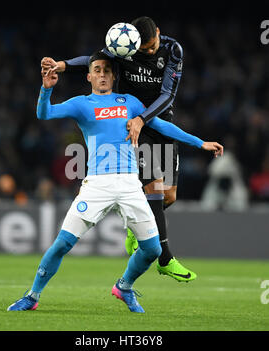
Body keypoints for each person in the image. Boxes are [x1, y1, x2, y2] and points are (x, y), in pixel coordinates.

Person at [7, 52, 222, 313]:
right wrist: (46, 89)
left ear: (113, 76)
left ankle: (124, 286)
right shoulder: (81, 104)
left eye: (107, 70)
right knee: (62, 243)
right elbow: (45, 114)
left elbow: (162, 126)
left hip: (130, 184)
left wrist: (200, 143)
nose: (102, 74)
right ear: (88, 76)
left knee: (152, 250)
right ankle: (32, 296)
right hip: (98, 184)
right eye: (96, 70)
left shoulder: (129, 102)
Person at [41, 16, 198, 282]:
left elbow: (168, 95)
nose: (147, 52)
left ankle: (134, 223)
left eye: (150, 47)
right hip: (131, 121)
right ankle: (165, 259)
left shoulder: (173, 50)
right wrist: (63, 65)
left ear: (159, 33)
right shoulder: (125, 46)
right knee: (155, 189)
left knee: (168, 196)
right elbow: (92, 61)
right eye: (143, 49)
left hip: (156, 119)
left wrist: (144, 118)